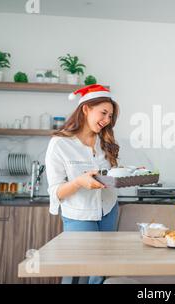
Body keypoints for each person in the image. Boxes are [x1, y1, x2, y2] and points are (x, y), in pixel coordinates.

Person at [45, 84, 120, 284]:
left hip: (108, 209)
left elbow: (110, 175)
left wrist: (126, 174)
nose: (107, 120)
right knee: (78, 269)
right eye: (103, 113)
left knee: (100, 269)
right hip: (79, 213)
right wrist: (79, 182)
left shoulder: (105, 141)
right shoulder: (60, 144)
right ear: (86, 109)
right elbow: (55, 192)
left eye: (110, 116)